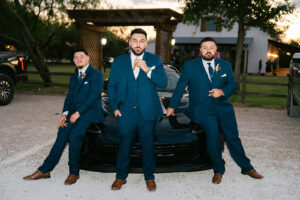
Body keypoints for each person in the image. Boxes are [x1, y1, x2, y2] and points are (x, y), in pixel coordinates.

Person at [166, 37, 263, 184]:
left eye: (211, 47)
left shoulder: (225, 65)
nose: (208, 50)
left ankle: (247, 167)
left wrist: (222, 92)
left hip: (223, 108)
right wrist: (172, 106)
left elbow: (232, 84)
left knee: (233, 138)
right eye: (205, 47)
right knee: (213, 137)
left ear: (216, 50)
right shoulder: (190, 66)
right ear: (200, 50)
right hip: (202, 110)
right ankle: (218, 170)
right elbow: (180, 87)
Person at [23, 49, 104, 185]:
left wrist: (78, 113)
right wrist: (65, 114)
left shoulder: (96, 75)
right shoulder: (74, 77)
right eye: (75, 57)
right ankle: (45, 170)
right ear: (73, 60)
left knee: (75, 136)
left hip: (89, 112)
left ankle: (74, 172)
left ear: (88, 58)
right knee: (62, 134)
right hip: (73, 112)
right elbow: (70, 97)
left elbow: (93, 97)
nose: (78, 59)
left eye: (81, 57)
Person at [108, 28, 167, 191]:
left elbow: (163, 83)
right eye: (135, 40)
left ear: (146, 43)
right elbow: (111, 86)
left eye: (142, 41)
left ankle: (149, 177)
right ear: (129, 42)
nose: (138, 44)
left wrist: (148, 70)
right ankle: (121, 176)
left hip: (147, 112)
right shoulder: (119, 61)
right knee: (124, 145)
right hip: (125, 112)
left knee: (148, 145)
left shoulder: (155, 59)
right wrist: (114, 108)